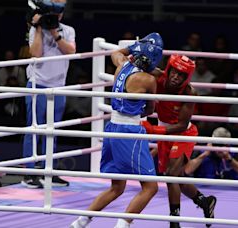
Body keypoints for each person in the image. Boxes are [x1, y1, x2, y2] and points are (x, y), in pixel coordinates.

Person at [69, 33, 164, 228]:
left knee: (117, 187)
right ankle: (122, 226)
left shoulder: (121, 65)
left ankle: (79, 223)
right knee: (150, 187)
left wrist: (136, 46)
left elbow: (117, 52)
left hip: (111, 128)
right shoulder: (148, 80)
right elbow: (150, 110)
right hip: (128, 131)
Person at [141, 55, 216, 228]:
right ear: (169, 70)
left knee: (171, 175)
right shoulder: (158, 77)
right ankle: (205, 202)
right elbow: (140, 66)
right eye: (175, 72)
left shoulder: (189, 93)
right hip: (164, 132)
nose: (176, 77)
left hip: (183, 133)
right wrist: (134, 55)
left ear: (186, 77)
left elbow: (182, 125)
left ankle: (174, 220)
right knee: (177, 177)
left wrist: (154, 130)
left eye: (181, 75)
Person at [22, 0, 76, 188]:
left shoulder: (68, 30)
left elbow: (70, 51)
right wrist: (38, 28)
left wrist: (55, 33)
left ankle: (48, 171)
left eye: (59, 11)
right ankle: (29, 173)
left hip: (58, 86)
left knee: (52, 131)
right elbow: (35, 54)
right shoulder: (35, 30)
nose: (56, 15)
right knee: (34, 129)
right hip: (38, 84)